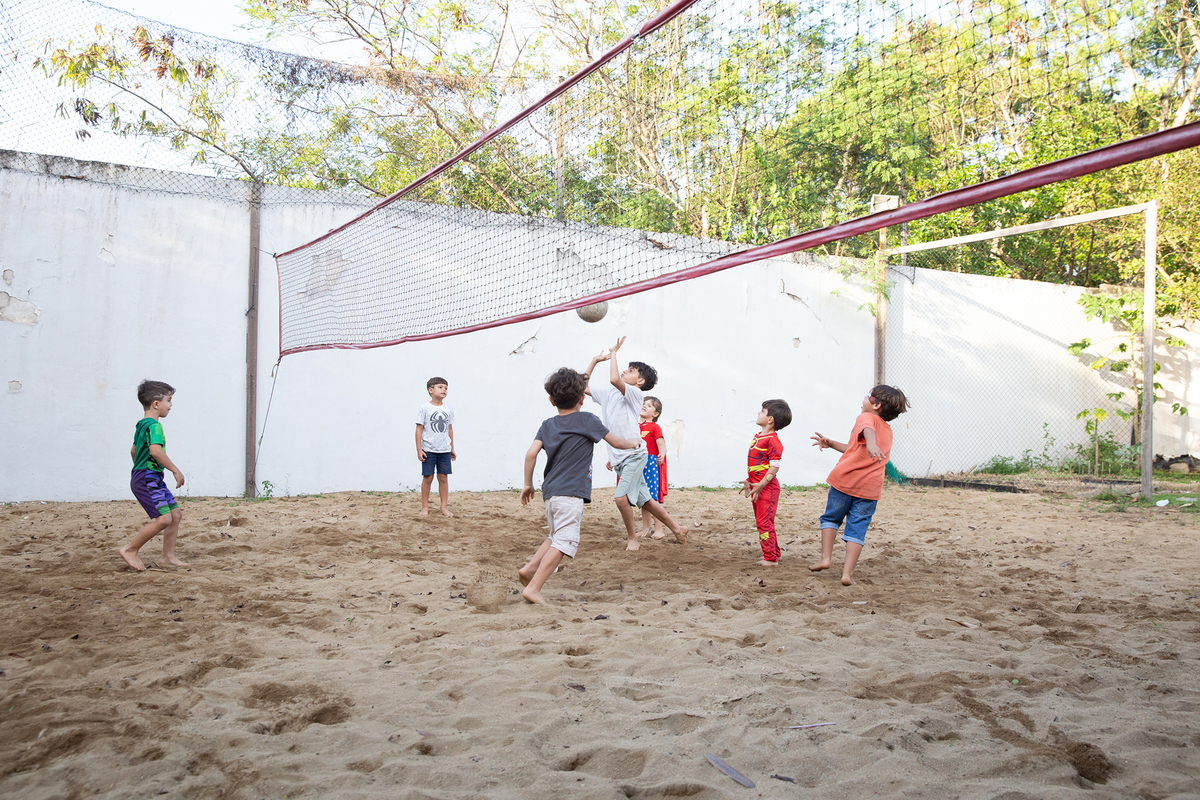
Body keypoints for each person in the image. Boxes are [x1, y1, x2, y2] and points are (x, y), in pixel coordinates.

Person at [519, 368, 642, 603]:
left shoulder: (547, 424)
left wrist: (527, 484)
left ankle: (529, 569)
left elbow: (530, 453)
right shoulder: (587, 420)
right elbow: (616, 441)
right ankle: (533, 588)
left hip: (551, 492)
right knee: (566, 541)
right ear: (582, 398)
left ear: (551, 400)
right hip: (570, 492)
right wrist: (633, 443)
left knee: (556, 535)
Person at [584, 337, 688, 551]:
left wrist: (614, 353)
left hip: (634, 455)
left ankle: (633, 538)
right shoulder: (609, 394)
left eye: (631, 370)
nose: (625, 371)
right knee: (646, 501)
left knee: (621, 499)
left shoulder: (634, 393)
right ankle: (677, 529)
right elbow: (582, 386)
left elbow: (614, 379)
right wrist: (595, 361)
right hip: (620, 458)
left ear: (639, 381)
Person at [810, 385, 910, 585]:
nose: (865, 398)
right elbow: (855, 449)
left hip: (845, 482)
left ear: (876, 405)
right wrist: (832, 444)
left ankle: (826, 558)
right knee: (857, 529)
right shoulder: (888, 431)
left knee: (830, 518)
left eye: (869, 396)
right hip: (869, 489)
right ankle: (847, 574)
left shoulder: (866, 417)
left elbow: (868, 431)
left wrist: (871, 444)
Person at [120, 380, 188, 571]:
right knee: (164, 519)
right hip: (147, 478)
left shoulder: (142, 425)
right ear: (156, 404)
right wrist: (175, 470)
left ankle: (168, 557)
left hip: (149, 477)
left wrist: (141, 469)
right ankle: (130, 549)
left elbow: (134, 451)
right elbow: (156, 452)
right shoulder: (154, 426)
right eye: (169, 400)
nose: (171, 405)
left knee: (175, 514)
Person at [741, 399, 792, 566]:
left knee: (764, 523)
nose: (758, 413)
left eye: (762, 411)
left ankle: (770, 558)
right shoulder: (759, 436)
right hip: (758, 487)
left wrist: (762, 484)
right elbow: (757, 466)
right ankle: (775, 553)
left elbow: (774, 468)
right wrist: (750, 482)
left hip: (767, 489)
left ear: (770, 419)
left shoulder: (773, 441)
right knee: (764, 522)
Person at [416, 376, 456, 517]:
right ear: (430, 390)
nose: (444, 390)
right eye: (440, 387)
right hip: (429, 449)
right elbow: (419, 428)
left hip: (444, 449)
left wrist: (452, 447)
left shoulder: (448, 409)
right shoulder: (425, 408)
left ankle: (444, 507)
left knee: (443, 478)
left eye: (446, 388)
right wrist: (419, 449)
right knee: (427, 477)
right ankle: (425, 507)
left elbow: (449, 429)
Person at [638, 396, 668, 540]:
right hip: (638, 463)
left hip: (650, 464)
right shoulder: (636, 426)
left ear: (655, 414)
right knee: (643, 499)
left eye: (649, 405)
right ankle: (646, 528)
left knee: (652, 498)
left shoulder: (655, 427)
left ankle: (659, 529)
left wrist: (661, 454)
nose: (644, 406)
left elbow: (661, 444)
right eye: (643, 404)